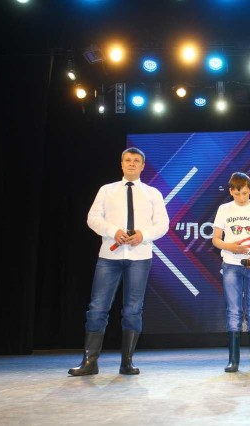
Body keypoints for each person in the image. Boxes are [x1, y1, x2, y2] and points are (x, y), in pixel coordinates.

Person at [68, 147, 170, 376]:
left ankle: (127, 363)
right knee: (97, 308)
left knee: (133, 310)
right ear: (121, 164)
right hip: (109, 256)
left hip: (140, 257)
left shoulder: (153, 193)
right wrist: (113, 231)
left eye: (136, 161)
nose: (132, 163)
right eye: (128, 160)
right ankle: (89, 362)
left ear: (143, 166)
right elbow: (92, 218)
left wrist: (144, 234)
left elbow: (163, 224)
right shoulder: (107, 190)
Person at [212, 172, 250, 373]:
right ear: (231, 191)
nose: (241, 197)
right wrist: (230, 246)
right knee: (234, 311)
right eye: (237, 193)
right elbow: (216, 239)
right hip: (231, 264)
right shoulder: (224, 209)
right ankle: (233, 361)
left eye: (245, 193)